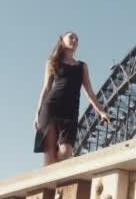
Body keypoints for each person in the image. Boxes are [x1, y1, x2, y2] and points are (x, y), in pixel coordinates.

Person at [34, 31, 110, 166]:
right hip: (50, 109)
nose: (74, 40)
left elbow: (90, 92)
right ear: (62, 41)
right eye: (71, 37)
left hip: (70, 112)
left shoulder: (82, 66)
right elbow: (46, 88)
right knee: (50, 157)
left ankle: (60, 185)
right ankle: (50, 186)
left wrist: (101, 111)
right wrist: (37, 112)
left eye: (77, 39)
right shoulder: (52, 63)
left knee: (65, 154)